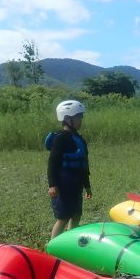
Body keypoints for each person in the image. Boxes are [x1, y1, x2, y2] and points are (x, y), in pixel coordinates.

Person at [47, 100, 91, 238]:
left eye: (81, 117)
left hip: (76, 184)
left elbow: (84, 164)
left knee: (76, 215)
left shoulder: (79, 139)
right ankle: (53, 248)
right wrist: (52, 185)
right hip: (63, 184)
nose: (80, 120)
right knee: (63, 218)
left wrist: (87, 186)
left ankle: (68, 245)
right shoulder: (60, 139)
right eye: (78, 117)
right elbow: (52, 163)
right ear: (67, 119)